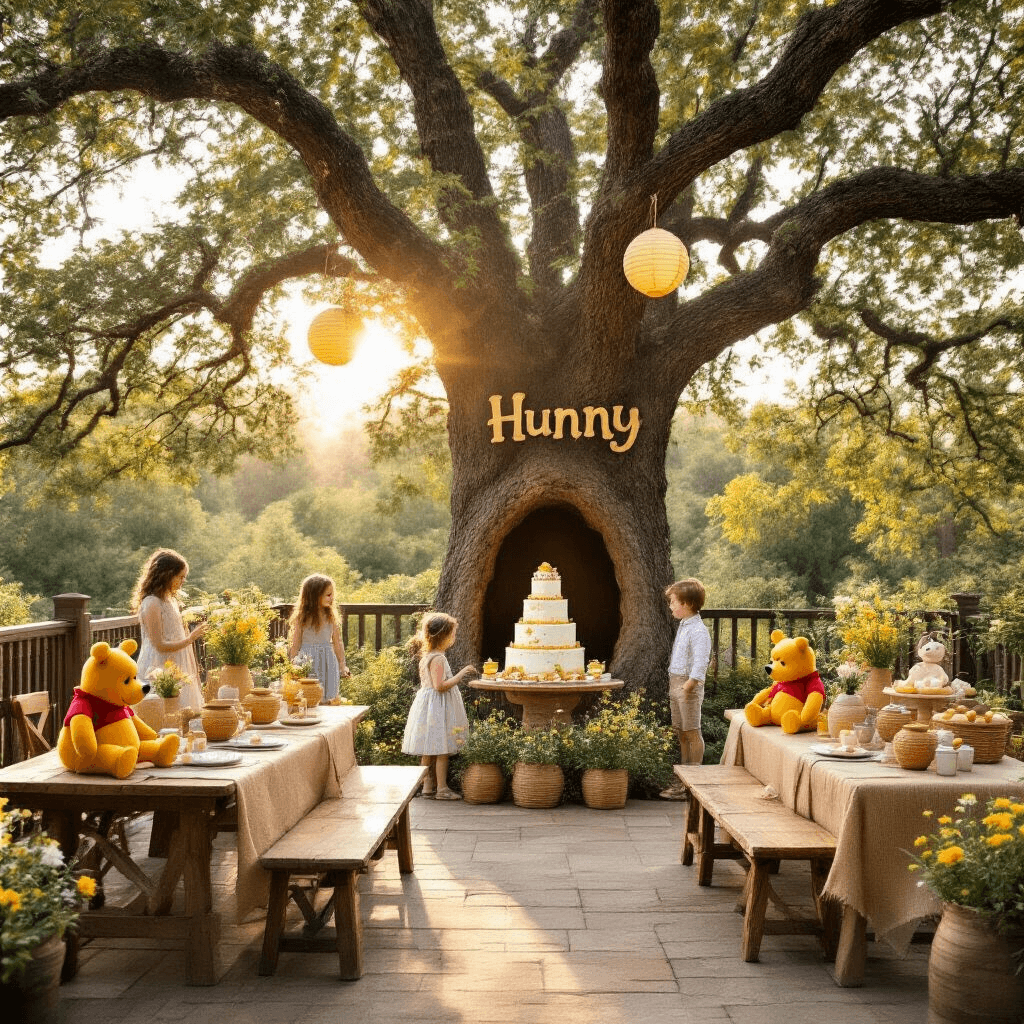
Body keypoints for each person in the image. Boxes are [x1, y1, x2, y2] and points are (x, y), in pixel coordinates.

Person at [402, 612, 474, 800]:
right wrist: (461, 675)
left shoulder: (427, 656)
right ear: (444, 636)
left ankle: (427, 786)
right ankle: (441, 788)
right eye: (452, 634)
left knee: (428, 748)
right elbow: (440, 686)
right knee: (441, 749)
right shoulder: (438, 658)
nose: (454, 637)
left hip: (429, 706)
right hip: (438, 706)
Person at [132, 548, 207, 714]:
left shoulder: (170, 600)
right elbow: (159, 645)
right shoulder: (152, 602)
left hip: (177, 666)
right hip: (158, 667)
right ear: (167, 574)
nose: (183, 581)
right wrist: (190, 638)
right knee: (160, 715)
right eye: (180, 577)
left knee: (184, 715)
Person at [660, 578, 712, 800]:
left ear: (687, 604)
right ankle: (683, 778)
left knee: (692, 731)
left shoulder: (698, 630)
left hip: (687, 686)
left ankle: (694, 780)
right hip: (676, 682)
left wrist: (689, 685)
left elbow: (701, 661)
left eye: (673, 602)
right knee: (681, 732)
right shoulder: (684, 626)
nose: (671, 606)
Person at [288, 574, 351, 702]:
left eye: (332, 594)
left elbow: (338, 641)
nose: (332, 598)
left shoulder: (330, 615)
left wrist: (342, 665)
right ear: (314, 596)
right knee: (309, 695)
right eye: (328, 595)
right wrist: (292, 665)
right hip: (307, 661)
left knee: (330, 695)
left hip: (328, 659)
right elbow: (296, 643)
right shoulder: (302, 617)